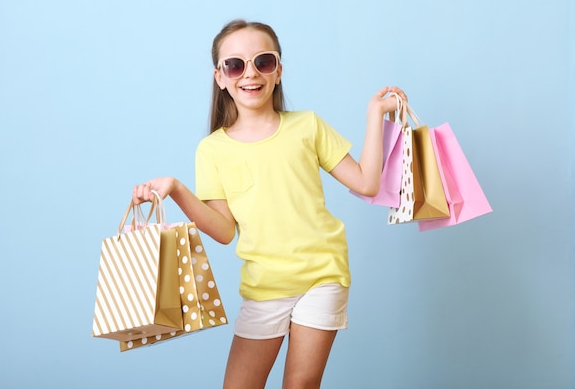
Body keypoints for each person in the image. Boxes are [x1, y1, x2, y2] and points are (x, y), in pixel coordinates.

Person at [133, 19, 407, 389]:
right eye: (235, 65)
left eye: (263, 61)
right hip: (263, 286)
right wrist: (177, 189)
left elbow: (367, 182)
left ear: (278, 71)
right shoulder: (212, 149)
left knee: (300, 384)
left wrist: (375, 114)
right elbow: (225, 231)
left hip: (322, 276)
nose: (250, 74)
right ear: (220, 77)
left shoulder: (307, 126)